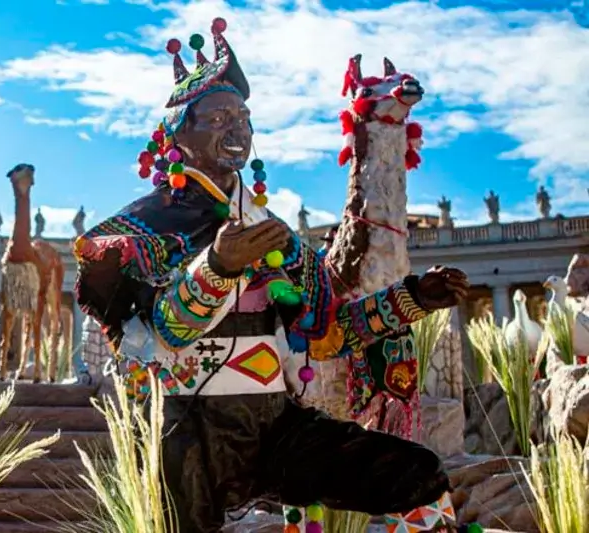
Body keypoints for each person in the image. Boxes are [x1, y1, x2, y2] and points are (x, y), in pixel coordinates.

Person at [73, 17, 472, 533]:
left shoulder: (272, 233)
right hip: (186, 426)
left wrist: (413, 297)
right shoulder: (145, 227)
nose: (236, 129)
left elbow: (326, 336)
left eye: (242, 118)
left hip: (276, 423)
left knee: (415, 475)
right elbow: (168, 327)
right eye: (218, 118)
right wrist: (216, 268)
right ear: (179, 135)